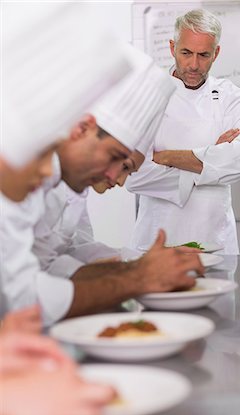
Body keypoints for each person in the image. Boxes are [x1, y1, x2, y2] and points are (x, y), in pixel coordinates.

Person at [1, 46, 203, 326]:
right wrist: (138, 276)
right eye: (116, 159)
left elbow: (53, 261)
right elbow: (20, 300)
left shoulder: (68, 180)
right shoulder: (20, 172)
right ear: (81, 128)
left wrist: (137, 267)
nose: (116, 178)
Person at [126, 8, 240, 255]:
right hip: (156, 241)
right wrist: (212, 159)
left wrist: (167, 157)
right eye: (186, 53)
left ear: (216, 53)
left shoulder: (230, 97)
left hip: (215, 242)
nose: (194, 65)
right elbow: (133, 176)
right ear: (173, 47)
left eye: (203, 55)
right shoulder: (147, 95)